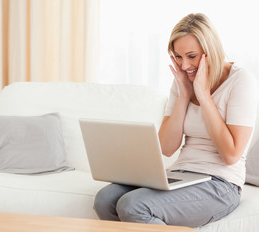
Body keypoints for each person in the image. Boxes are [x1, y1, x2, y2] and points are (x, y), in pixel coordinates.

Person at [93, 13, 258, 227]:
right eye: (178, 57)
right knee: (105, 200)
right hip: (182, 174)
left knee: (133, 206)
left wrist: (204, 96)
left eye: (191, 56)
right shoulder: (182, 80)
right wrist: (183, 94)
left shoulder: (240, 81)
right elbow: (167, 147)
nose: (183, 65)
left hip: (221, 183)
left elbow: (231, 154)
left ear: (211, 52)